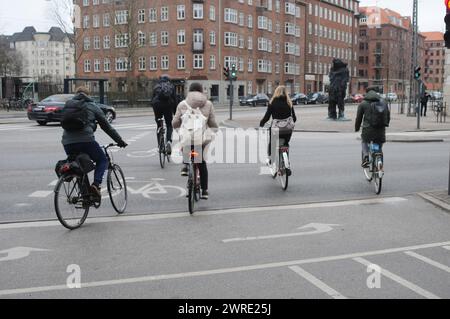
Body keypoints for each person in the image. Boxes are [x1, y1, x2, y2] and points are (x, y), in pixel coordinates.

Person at [61, 86, 128, 199]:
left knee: (78, 166)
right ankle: (96, 185)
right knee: (102, 160)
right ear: (88, 95)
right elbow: (107, 127)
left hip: (67, 142)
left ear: (76, 94)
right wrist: (119, 141)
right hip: (86, 140)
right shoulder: (92, 105)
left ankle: (85, 197)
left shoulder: (68, 106)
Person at [172, 82, 218, 200]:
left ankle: (186, 166)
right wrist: (214, 130)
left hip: (187, 137)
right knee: (201, 162)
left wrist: (179, 129)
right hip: (201, 138)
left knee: (186, 143)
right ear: (201, 91)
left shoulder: (182, 104)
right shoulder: (208, 104)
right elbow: (212, 123)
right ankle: (204, 191)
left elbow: (175, 122)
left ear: (190, 91)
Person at [259, 86, 297, 175]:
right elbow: (294, 118)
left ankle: (271, 159)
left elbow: (267, 116)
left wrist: (262, 123)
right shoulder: (289, 102)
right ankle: (286, 165)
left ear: (276, 92)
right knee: (285, 145)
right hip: (287, 130)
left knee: (272, 143)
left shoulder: (272, 102)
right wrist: (288, 123)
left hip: (276, 128)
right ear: (286, 93)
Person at [355, 86, 390, 168]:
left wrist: (357, 128)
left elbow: (358, 118)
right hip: (380, 130)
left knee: (364, 141)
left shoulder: (363, 103)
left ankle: (366, 158)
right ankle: (380, 165)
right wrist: (385, 124)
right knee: (379, 147)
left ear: (367, 93)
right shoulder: (384, 102)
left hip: (368, 130)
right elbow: (388, 116)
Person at [151, 75, 177, 154]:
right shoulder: (171, 86)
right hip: (167, 106)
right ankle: (168, 141)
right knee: (169, 125)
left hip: (157, 106)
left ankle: (160, 145)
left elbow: (152, 99)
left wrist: (154, 108)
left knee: (159, 125)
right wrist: (175, 112)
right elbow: (175, 100)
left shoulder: (156, 86)